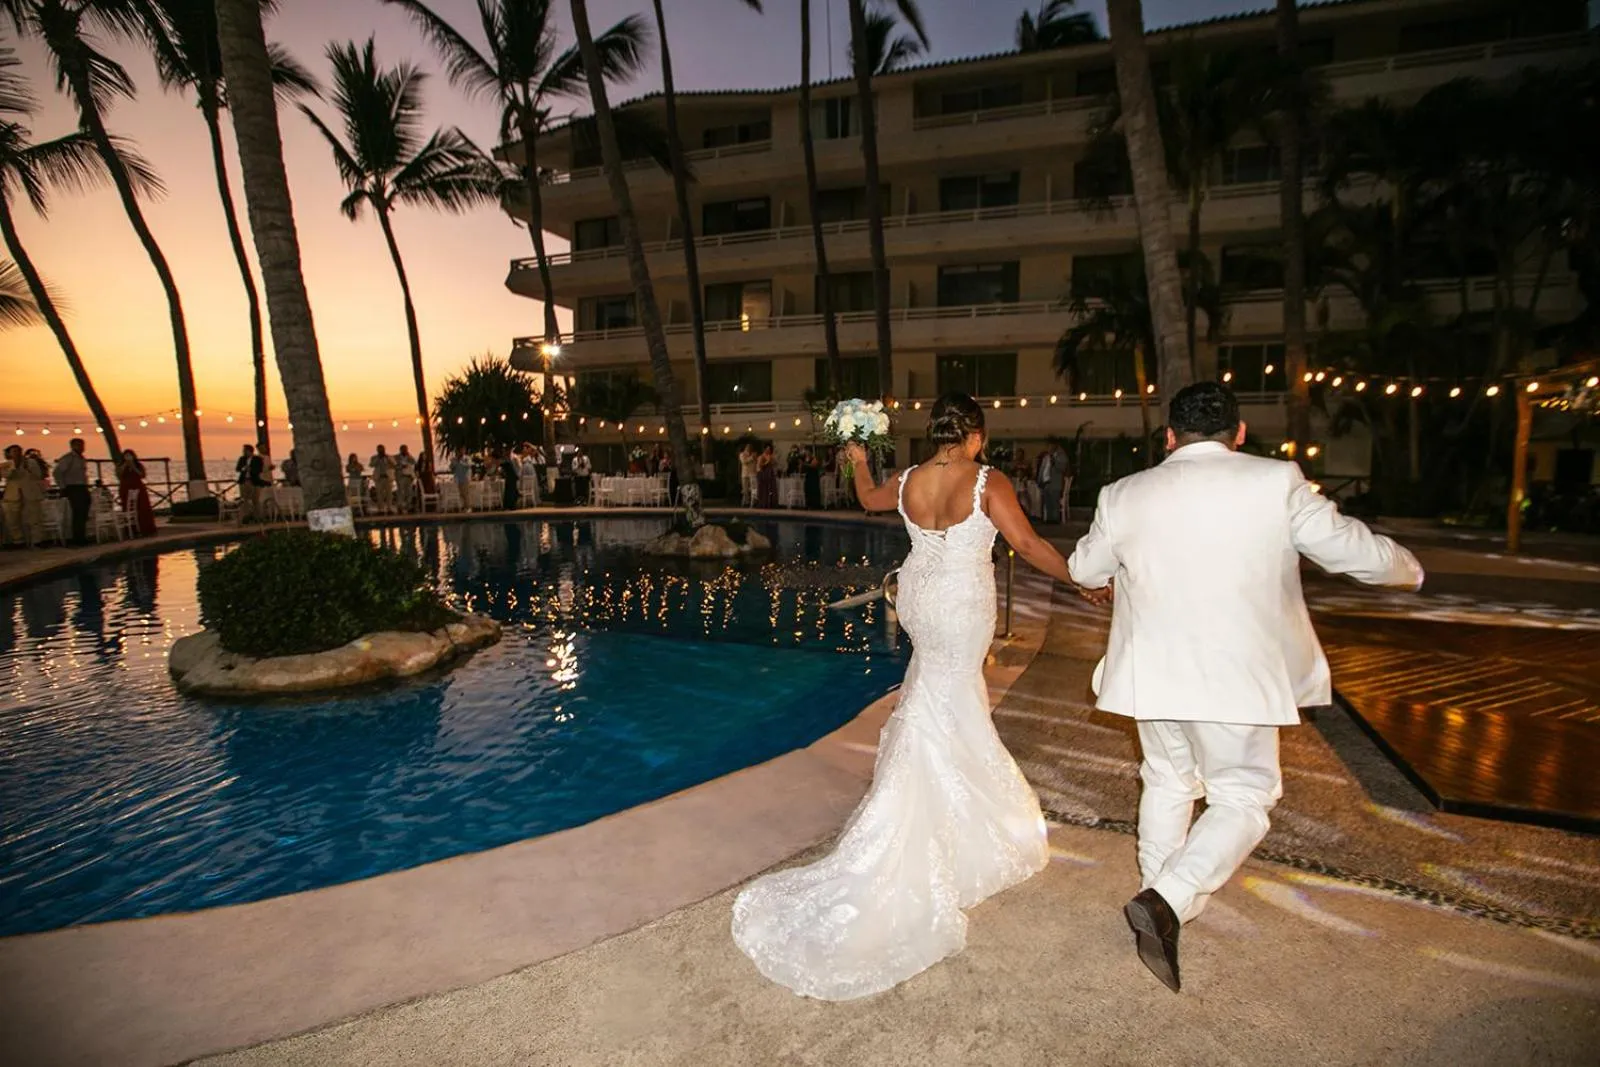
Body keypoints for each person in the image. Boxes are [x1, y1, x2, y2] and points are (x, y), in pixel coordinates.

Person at [733, 393, 1095, 1001]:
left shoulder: (906, 479)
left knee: (935, 694)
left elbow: (870, 499)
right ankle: (950, 821)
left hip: (920, 599)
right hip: (960, 605)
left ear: (936, 434)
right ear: (975, 435)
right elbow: (1028, 546)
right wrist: (1080, 579)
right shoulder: (988, 481)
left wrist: (856, 460)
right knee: (952, 697)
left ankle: (940, 800)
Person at [1067, 382, 1423, 994]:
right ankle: (1169, 900)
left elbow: (1083, 569)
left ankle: (1161, 905)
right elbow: (1352, 553)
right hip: (1237, 679)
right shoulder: (1276, 481)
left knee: (1168, 781)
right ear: (1237, 434)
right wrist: (1409, 569)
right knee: (1244, 798)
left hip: (1151, 675)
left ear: (1170, 436)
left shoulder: (1123, 493)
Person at [3, 443, 46, 547]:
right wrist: (14, 466)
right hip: (13, 495)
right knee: (12, 519)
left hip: (30, 493)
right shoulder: (6, 465)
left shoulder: (30, 462)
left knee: (35, 518)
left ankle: (37, 540)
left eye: (18, 451)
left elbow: (38, 475)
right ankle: (18, 541)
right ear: (9, 454)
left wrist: (27, 468)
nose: (17, 454)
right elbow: (7, 476)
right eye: (14, 452)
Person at [53, 437, 91, 545]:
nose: (82, 447)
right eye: (79, 445)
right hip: (73, 487)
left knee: (84, 512)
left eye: (82, 445)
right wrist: (62, 487)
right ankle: (77, 538)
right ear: (73, 446)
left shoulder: (81, 458)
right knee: (77, 512)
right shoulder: (68, 458)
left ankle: (82, 536)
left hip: (82, 486)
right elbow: (57, 472)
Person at [118, 450, 156, 537]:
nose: (128, 457)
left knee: (142, 507)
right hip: (125, 487)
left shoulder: (138, 465)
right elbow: (119, 475)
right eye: (126, 456)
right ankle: (131, 530)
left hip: (138, 487)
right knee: (127, 507)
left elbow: (142, 475)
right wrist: (125, 465)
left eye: (130, 455)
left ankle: (145, 528)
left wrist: (133, 467)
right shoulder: (121, 466)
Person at [236, 444, 267, 523]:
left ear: (249, 451)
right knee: (244, 500)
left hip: (254, 480)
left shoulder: (257, 459)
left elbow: (259, 469)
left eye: (244, 451)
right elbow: (238, 468)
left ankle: (258, 517)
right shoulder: (242, 459)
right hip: (244, 480)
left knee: (255, 500)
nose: (243, 452)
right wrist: (244, 469)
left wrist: (251, 469)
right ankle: (246, 516)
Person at [369, 445, 394, 513]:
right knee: (379, 494)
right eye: (379, 450)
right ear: (377, 450)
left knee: (389, 494)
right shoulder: (374, 457)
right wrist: (378, 459)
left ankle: (389, 508)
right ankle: (381, 508)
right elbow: (371, 465)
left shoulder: (389, 457)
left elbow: (394, 464)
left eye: (382, 449)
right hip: (379, 477)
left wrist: (388, 459)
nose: (381, 451)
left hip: (388, 477)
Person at [394, 445, 417, 513]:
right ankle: (400, 507)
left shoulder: (409, 457)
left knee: (409, 492)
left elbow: (414, 462)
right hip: (401, 476)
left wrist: (409, 456)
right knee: (401, 492)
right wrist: (401, 466)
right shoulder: (396, 457)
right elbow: (393, 465)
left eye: (405, 449)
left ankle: (408, 506)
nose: (404, 451)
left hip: (409, 476)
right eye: (403, 449)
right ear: (400, 450)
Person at [755, 444, 779, 508]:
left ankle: (770, 503)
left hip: (770, 474)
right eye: (767, 449)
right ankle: (763, 503)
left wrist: (773, 460)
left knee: (771, 489)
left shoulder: (771, 456)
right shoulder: (761, 456)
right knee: (763, 490)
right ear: (764, 449)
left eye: (769, 449)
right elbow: (760, 466)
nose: (768, 450)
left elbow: (775, 464)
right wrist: (767, 461)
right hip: (763, 475)